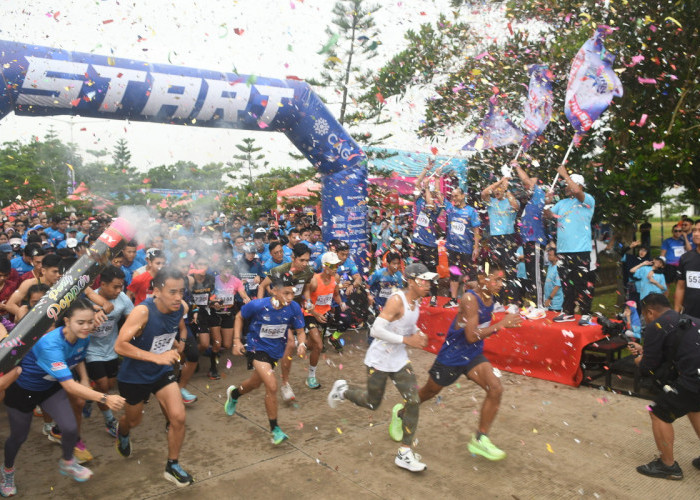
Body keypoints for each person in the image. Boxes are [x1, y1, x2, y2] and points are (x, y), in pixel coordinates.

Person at [388, 263, 521, 462]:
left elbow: (475, 336)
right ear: (484, 279)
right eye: (497, 279)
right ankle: (401, 413)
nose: (501, 284)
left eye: (502, 280)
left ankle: (480, 438)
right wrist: (501, 325)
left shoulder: (488, 295)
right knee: (428, 392)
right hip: (452, 356)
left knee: (495, 388)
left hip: (473, 355)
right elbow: (471, 336)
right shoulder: (470, 299)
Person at [1, 299, 125, 495]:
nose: (86, 327)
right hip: (23, 390)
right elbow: (68, 385)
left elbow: (77, 358)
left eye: (90, 322)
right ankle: (7, 471)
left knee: (69, 427)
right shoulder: (50, 345)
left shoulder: (82, 337)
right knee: (18, 437)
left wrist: (84, 378)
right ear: (67, 321)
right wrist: (104, 398)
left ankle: (68, 462)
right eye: (81, 322)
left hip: (49, 387)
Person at [327, 263, 433, 472]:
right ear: (411, 282)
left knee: (413, 400)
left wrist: (418, 333)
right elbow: (376, 329)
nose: (428, 284)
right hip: (379, 360)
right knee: (372, 403)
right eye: (423, 280)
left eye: (429, 280)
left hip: (400, 360)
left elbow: (407, 327)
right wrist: (406, 339)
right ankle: (343, 391)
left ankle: (404, 453)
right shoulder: (397, 300)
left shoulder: (416, 302)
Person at [114, 268, 194, 487]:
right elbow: (119, 345)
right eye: (172, 292)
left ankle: (172, 465)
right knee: (133, 421)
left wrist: (177, 343)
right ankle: (122, 432)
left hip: (161, 373)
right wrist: (155, 357)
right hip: (134, 376)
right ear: (157, 291)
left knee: (178, 417)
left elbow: (172, 331)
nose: (178, 297)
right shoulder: (142, 311)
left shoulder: (181, 307)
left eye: (181, 291)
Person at [224, 273, 307, 445]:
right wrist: (237, 340)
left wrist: (302, 344)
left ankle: (234, 394)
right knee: (271, 385)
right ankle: (275, 429)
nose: (291, 298)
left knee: (255, 383)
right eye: (286, 293)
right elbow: (239, 316)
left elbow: (300, 331)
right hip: (256, 348)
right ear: (274, 291)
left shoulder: (294, 308)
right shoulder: (258, 305)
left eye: (293, 293)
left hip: (275, 352)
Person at [628, 293, 700, 480]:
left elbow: (647, 368)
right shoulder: (686, 318)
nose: (646, 319)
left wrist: (639, 359)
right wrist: (646, 350)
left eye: (645, 315)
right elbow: (680, 347)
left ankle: (667, 466)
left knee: (658, 412)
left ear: (650, 312)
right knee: (695, 407)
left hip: (693, 379)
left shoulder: (655, 327)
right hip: (696, 374)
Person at [258, 243, 313, 402]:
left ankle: (284, 383)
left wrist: (308, 302)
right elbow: (263, 286)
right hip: (277, 311)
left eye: (307, 260)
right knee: (289, 344)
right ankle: (282, 382)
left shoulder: (308, 271)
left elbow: (306, 289)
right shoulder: (279, 271)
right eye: (302, 260)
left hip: (295, 310)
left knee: (296, 344)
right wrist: (263, 307)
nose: (305, 264)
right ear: (293, 258)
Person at [84, 265, 134, 436]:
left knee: (110, 385)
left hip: (111, 349)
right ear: (103, 284)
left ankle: (89, 395)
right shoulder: (88, 299)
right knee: (103, 385)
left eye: (122, 286)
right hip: (91, 350)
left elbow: (133, 319)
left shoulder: (123, 299)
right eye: (115, 286)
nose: (119, 290)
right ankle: (109, 421)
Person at [544, 165, 595, 325]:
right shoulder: (563, 203)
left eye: (569, 184)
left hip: (581, 250)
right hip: (563, 251)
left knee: (581, 283)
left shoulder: (587, 200)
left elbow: (578, 193)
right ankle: (568, 312)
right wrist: (547, 203)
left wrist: (565, 174)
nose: (566, 187)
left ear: (578, 185)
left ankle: (586, 313)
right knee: (566, 284)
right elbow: (549, 216)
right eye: (566, 184)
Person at [302, 252, 345, 389]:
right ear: (324, 266)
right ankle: (311, 377)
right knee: (319, 346)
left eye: (337, 265)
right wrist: (314, 313)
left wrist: (342, 304)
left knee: (311, 345)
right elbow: (305, 300)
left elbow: (336, 294)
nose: (336, 268)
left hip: (324, 315)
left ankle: (300, 341)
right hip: (309, 314)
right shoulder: (314, 280)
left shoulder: (335, 278)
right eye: (333, 266)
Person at [514, 161, 550, 307]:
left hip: (535, 241)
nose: (527, 184)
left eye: (532, 180)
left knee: (536, 275)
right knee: (531, 275)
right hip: (528, 242)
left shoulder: (539, 195)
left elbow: (525, 180)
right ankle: (535, 304)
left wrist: (516, 165)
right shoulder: (529, 202)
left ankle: (540, 306)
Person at [480, 175, 519, 304]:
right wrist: (500, 182)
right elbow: (484, 193)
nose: (497, 191)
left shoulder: (511, 200)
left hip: (508, 238)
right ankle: (497, 301)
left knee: (510, 271)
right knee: (495, 272)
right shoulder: (491, 202)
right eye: (495, 189)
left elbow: (515, 206)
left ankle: (512, 303)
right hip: (495, 239)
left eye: (499, 189)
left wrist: (506, 189)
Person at [443, 186, 481, 308]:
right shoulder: (450, 209)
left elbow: (476, 230)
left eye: (456, 196)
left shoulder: (471, 211)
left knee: (471, 276)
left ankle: (476, 301)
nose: (454, 198)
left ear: (463, 195)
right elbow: (439, 195)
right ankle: (453, 300)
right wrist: (437, 178)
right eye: (452, 196)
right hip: (452, 248)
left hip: (466, 249)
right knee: (453, 275)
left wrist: (476, 247)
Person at [675, 220, 700, 318]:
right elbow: (680, 287)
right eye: (694, 230)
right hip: (690, 315)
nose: (696, 234)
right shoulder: (685, 258)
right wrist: (676, 312)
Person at [543, 246, 564, 312]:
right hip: (548, 301)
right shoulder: (550, 266)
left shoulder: (558, 268)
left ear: (556, 257)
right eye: (548, 255)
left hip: (555, 303)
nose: (548, 256)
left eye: (550, 255)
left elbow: (557, 286)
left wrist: (549, 299)